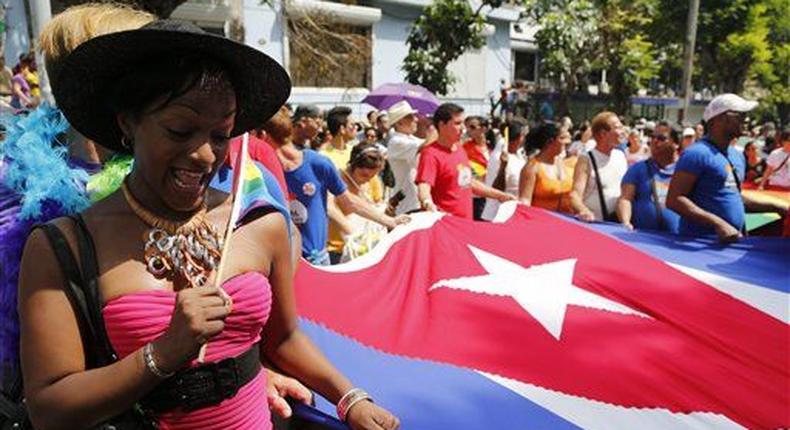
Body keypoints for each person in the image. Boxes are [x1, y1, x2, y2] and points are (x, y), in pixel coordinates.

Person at [18, 19, 399, 430]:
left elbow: (284, 340)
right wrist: (163, 353)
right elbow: (49, 409)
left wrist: (351, 397)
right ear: (128, 122)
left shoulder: (259, 223)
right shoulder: (66, 245)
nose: (204, 155)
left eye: (221, 135)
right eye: (179, 130)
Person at [271, 108, 407, 265]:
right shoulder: (262, 169)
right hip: (284, 259)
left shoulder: (318, 162)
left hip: (317, 259)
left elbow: (347, 200)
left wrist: (388, 221)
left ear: (263, 136)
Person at [667, 94, 786, 242]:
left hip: (731, 244)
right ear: (721, 118)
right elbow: (674, 200)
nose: (746, 119)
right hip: (698, 245)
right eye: (741, 115)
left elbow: (734, 197)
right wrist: (718, 224)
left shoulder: (737, 156)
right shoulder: (696, 154)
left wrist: (778, 208)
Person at [415, 103, 514, 218]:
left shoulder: (460, 149)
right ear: (442, 125)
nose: (463, 128)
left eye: (462, 123)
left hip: (464, 225)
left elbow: (468, 182)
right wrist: (428, 203)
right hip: (444, 226)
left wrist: (501, 196)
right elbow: (424, 186)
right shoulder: (430, 154)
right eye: (457, 123)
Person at [327, 143, 387, 264]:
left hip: (366, 246)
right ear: (353, 165)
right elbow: (329, 206)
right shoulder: (337, 179)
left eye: (373, 175)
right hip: (337, 247)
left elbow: (377, 204)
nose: (368, 179)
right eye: (364, 175)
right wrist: (350, 230)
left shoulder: (373, 180)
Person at [617, 128, 681, 233]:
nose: (655, 141)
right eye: (652, 137)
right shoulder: (638, 169)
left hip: (677, 240)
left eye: (661, 138)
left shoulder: (685, 171)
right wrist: (626, 223)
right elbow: (625, 199)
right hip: (643, 240)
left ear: (676, 144)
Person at [569, 111, 628, 222]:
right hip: (594, 226)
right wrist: (584, 211)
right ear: (603, 133)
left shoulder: (620, 156)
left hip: (616, 225)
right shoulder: (586, 159)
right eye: (618, 128)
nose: (623, 132)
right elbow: (575, 195)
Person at [385, 101, 433, 215]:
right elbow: (426, 145)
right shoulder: (396, 141)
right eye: (411, 117)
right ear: (400, 122)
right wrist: (435, 128)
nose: (416, 120)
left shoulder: (411, 139)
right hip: (408, 204)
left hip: (418, 200)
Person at [518, 122, 574, 214]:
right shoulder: (532, 169)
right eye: (562, 138)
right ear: (550, 142)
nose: (567, 142)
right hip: (541, 223)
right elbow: (525, 201)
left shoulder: (565, 164)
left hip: (566, 222)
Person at [481, 118, 528, 220]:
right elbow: (496, 188)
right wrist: (503, 167)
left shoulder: (519, 154)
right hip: (497, 214)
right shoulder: (499, 157)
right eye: (524, 135)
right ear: (519, 137)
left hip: (514, 213)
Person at [462, 116, 490, 220]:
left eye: (472, 127)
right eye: (467, 127)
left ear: (484, 129)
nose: (469, 130)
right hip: (475, 195)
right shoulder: (465, 148)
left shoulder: (494, 146)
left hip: (493, 194)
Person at [321, 106, 357, 170]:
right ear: (342, 129)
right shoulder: (324, 156)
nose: (356, 127)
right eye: (352, 125)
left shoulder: (355, 151)